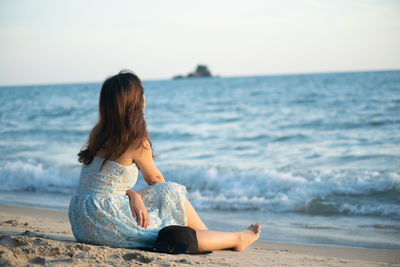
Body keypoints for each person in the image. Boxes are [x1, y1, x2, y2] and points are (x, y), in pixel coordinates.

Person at [68, 70, 260, 252]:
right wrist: (152, 200)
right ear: (135, 102)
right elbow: (156, 181)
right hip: (105, 221)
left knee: (166, 211)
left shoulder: (98, 133)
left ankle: (213, 237)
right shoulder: (135, 140)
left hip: (82, 222)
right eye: (142, 93)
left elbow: (99, 185)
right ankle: (226, 238)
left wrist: (133, 195)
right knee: (171, 192)